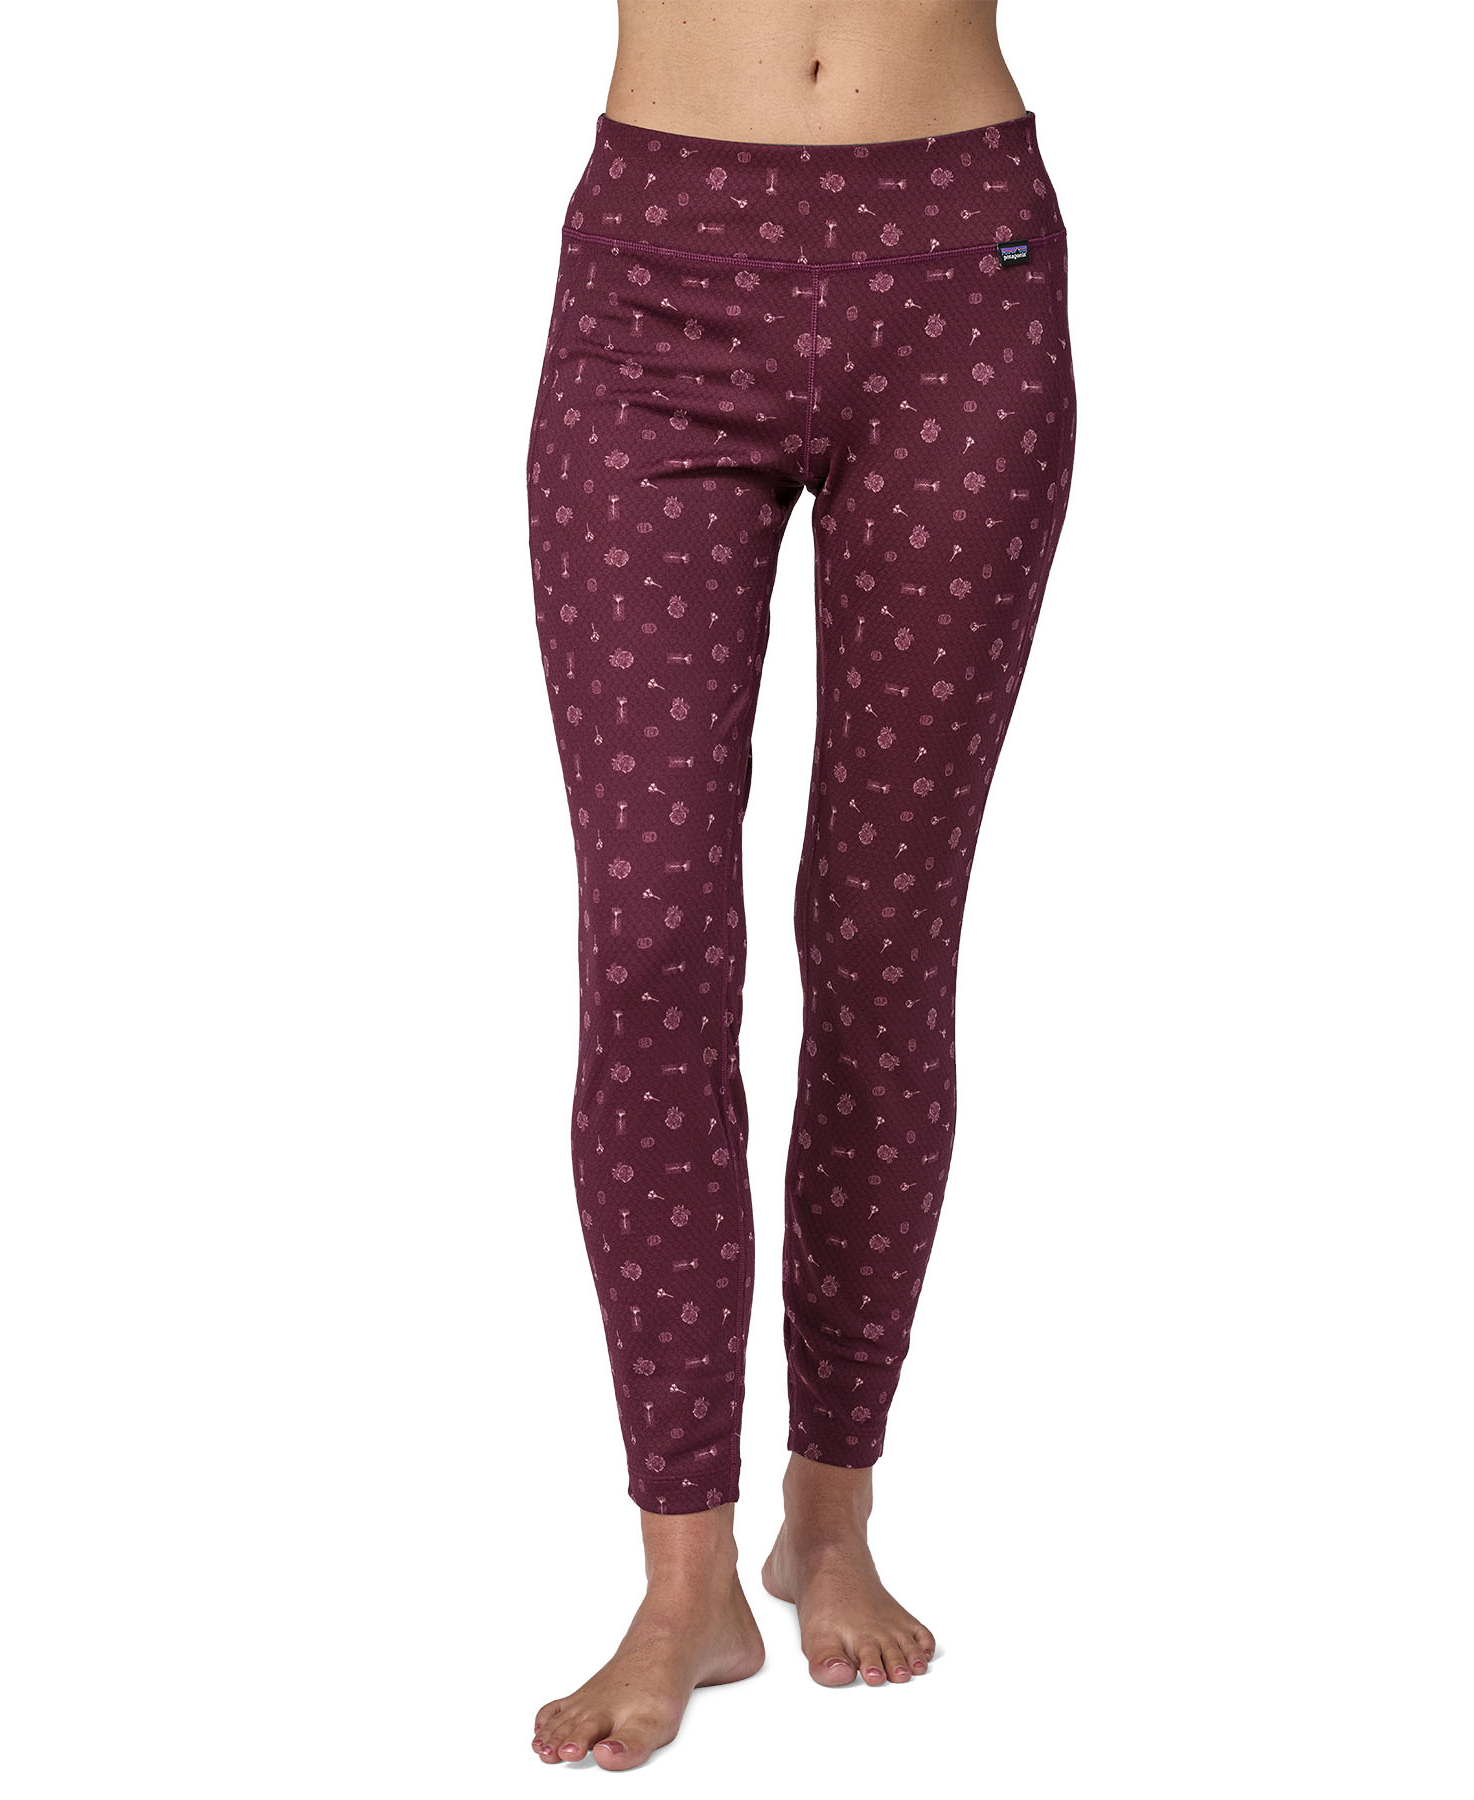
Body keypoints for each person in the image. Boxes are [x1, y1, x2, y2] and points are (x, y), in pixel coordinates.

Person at [523, 1, 1076, 1770]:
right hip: (662, 265)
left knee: (884, 938)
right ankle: (684, 1578)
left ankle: (829, 1516)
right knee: (652, 939)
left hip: (960, 264)